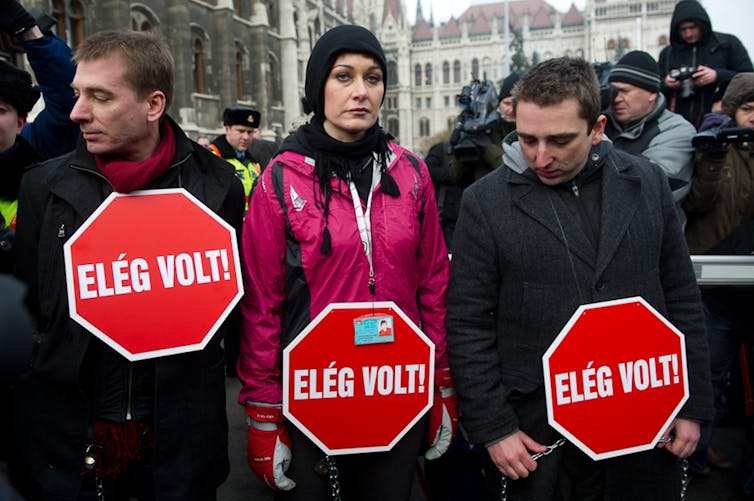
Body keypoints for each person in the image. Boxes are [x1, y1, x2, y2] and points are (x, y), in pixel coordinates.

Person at [446, 57, 713, 500]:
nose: (541, 157)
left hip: (643, 420)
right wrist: (494, 428)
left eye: (560, 140)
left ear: (597, 128)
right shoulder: (485, 202)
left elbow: (681, 296)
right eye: (528, 139)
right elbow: (468, 322)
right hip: (537, 435)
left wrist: (693, 403)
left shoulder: (646, 182)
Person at [12, 29, 244, 500]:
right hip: (73, 451)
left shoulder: (218, 187)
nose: (77, 112)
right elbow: (30, 316)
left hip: (182, 448)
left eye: (100, 97)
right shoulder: (43, 188)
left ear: (153, 105)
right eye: (78, 94)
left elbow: (230, 315)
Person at [237, 24, 457, 501]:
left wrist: (441, 384)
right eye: (343, 76)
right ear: (319, 87)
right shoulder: (280, 178)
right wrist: (262, 411)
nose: (361, 91)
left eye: (373, 77)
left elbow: (435, 287)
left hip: (398, 388)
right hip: (313, 394)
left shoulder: (412, 172)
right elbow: (261, 305)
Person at [683, 72, 754, 484]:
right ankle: (693, 464)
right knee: (706, 379)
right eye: (747, 109)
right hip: (713, 285)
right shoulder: (716, 147)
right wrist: (711, 154)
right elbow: (696, 201)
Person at [0, 0, 78, 273]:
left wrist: (27, 30)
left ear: (21, 121)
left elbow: (68, 98)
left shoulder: (39, 152)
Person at [604, 50, 696, 225]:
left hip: (651, 232)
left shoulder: (678, 131)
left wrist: (595, 142)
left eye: (625, 91)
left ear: (652, 93)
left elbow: (645, 185)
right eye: (612, 91)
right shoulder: (601, 120)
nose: (616, 99)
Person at [658, 0, 753, 129]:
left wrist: (716, 75)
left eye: (692, 27)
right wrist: (667, 83)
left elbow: (748, 78)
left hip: (721, 120)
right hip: (677, 123)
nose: (688, 34)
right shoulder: (668, 54)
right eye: (683, 29)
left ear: (701, 25)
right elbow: (653, 88)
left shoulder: (727, 45)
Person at [210, 106, 276, 211]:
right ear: (227, 129)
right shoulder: (212, 157)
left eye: (250, 132)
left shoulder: (253, 162)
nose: (246, 137)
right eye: (241, 131)